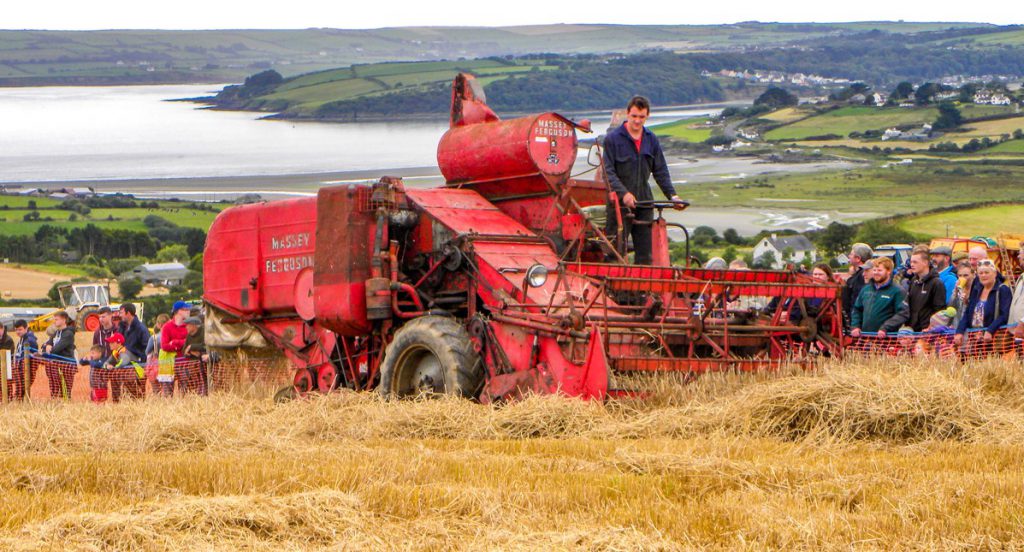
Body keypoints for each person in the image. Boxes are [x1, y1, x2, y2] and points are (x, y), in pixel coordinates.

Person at [602, 95, 685, 265]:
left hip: (645, 202)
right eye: (634, 116)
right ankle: (614, 290)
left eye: (642, 117)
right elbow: (608, 173)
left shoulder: (651, 139)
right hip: (619, 205)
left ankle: (642, 291)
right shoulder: (613, 139)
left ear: (647, 116)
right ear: (627, 114)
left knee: (645, 254)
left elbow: (660, 170)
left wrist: (672, 196)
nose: (637, 121)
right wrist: (624, 194)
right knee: (615, 252)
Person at [955, 259, 1012, 348]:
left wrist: (990, 330)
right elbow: (968, 312)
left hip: (993, 339)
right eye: (980, 273)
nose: (983, 275)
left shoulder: (1003, 290)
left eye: (986, 272)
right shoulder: (977, 289)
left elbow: (1004, 315)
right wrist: (959, 331)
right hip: (974, 339)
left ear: (995, 274)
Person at [850, 257, 908, 337]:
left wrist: (885, 327)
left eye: (880, 270)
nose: (876, 273)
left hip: (887, 338)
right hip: (865, 338)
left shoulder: (897, 291)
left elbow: (903, 313)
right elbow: (857, 309)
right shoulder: (866, 289)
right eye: (874, 270)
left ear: (888, 271)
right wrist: (855, 326)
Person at [906, 250, 947, 332]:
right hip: (912, 330)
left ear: (925, 263)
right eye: (911, 262)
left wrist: (932, 327)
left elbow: (939, 310)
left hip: (927, 331)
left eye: (915, 262)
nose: (912, 265)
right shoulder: (913, 281)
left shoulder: (937, 283)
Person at [40, 311, 78, 399]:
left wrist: (49, 349)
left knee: (65, 390)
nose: (54, 321)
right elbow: (44, 346)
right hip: (55, 364)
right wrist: (47, 346)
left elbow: (57, 349)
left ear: (64, 320)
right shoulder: (56, 333)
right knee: (54, 389)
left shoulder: (68, 334)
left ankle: (66, 407)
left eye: (56, 319)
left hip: (66, 364)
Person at [116, 303, 148, 399]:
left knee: (137, 395)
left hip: (136, 367)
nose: (119, 315)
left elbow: (146, 349)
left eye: (121, 312)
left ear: (128, 313)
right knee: (125, 395)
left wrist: (142, 366)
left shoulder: (141, 329)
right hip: (124, 367)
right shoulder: (122, 328)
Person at [158, 301, 191, 396]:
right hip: (168, 364)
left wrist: (175, 342)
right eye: (186, 309)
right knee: (167, 394)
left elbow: (190, 343)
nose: (188, 311)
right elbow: (164, 346)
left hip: (184, 363)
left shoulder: (188, 326)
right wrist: (182, 344)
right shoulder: (167, 327)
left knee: (185, 392)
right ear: (179, 311)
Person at [842, 243, 873, 330]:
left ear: (858, 258)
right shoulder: (857, 275)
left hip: (857, 322)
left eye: (851, 254)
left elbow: (857, 299)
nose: (849, 256)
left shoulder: (862, 276)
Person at [10, 320, 38, 400]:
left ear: (26, 328)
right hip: (19, 368)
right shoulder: (22, 339)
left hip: (25, 369)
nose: (18, 332)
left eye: (20, 329)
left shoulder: (29, 340)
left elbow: (30, 357)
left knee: (22, 390)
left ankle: (20, 403)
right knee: (20, 390)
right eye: (16, 330)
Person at [950, 261, 974, 329]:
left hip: (971, 328)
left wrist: (966, 301)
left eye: (966, 275)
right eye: (960, 275)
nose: (962, 277)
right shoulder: (958, 289)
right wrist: (955, 292)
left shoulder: (977, 289)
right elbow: (951, 307)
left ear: (973, 274)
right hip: (958, 326)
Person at [1009, 246, 1024, 326]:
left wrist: (1022, 322)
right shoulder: (1021, 277)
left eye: (1020, 253)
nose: (1018, 256)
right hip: (1016, 332)